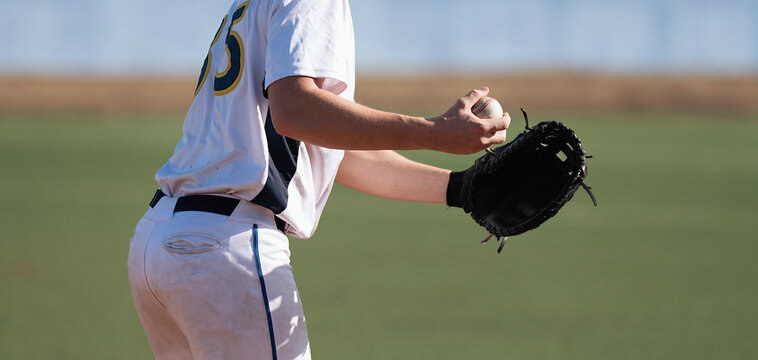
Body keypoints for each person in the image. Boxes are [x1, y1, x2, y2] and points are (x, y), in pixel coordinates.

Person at [127, 0, 510, 359]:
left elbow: (326, 144)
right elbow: (295, 110)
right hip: (225, 249)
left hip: (163, 240)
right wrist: (433, 132)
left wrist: (460, 190)